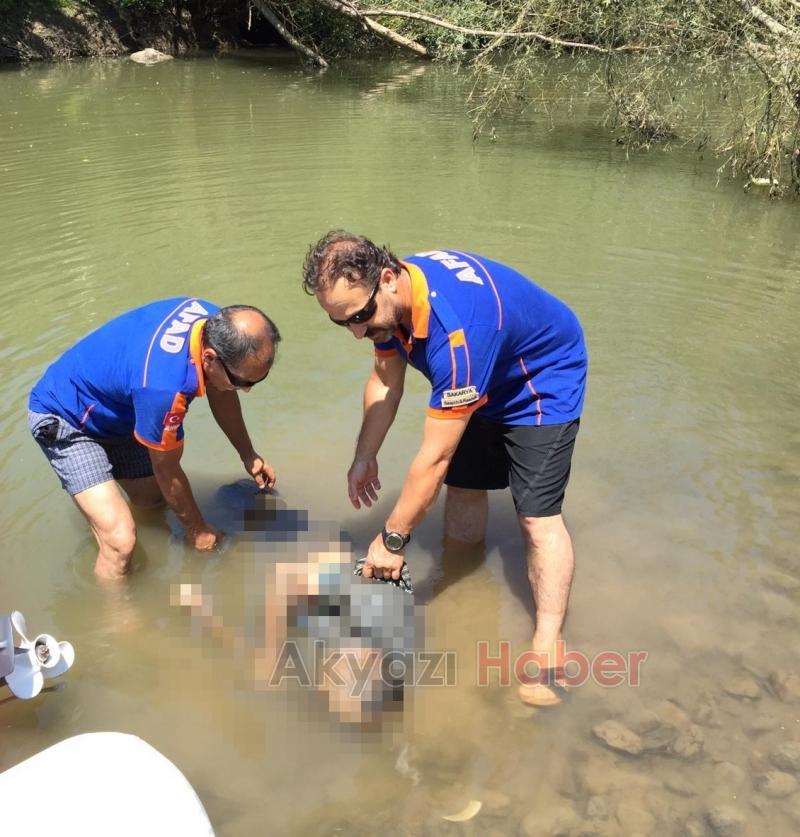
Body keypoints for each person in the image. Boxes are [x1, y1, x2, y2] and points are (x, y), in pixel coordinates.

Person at [302, 232, 588, 706]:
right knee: (464, 489)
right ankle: (463, 583)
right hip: (480, 373)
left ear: (387, 278)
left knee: (537, 518)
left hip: (541, 376)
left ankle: (548, 639)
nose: (355, 331)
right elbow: (384, 380)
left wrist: (392, 540)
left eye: (359, 317)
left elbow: (432, 461)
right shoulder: (388, 305)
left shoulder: (456, 335)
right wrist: (364, 454)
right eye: (341, 323)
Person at [28, 298, 280, 581]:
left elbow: (222, 389)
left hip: (123, 408)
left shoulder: (213, 322)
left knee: (152, 502)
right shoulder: (164, 390)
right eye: (245, 383)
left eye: (258, 380)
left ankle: (106, 509)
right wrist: (198, 532)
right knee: (120, 542)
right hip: (68, 417)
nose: (248, 391)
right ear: (209, 358)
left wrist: (249, 454)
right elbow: (167, 468)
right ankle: (118, 620)